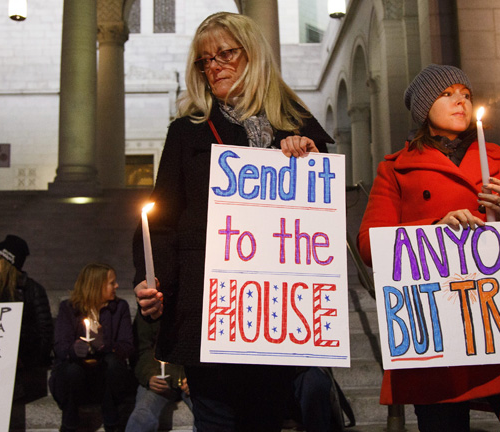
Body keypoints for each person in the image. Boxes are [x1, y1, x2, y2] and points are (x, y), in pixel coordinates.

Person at [132, 12, 332, 432]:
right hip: (208, 310)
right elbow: (161, 223)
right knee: (215, 421)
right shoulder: (187, 132)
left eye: (225, 54)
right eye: (205, 60)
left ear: (253, 55)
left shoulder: (297, 127)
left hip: (278, 314)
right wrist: (153, 284)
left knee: (266, 421)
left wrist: (308, 158)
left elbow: (319, 219)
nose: (214, 66)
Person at [357, 64, 500, 431]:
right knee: (442, 422)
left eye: (466, 94)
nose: (460, 101)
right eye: (447, 94)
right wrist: (434, 229)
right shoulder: (396, 169)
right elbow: (369, 244)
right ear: (424, 108)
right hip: (441, 322)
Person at [50, 263, 135, 432]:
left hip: (105, 379)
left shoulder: (119, 308)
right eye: (112, 283)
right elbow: (60, 346)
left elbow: (127, 346)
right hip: (76, 379)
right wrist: (75, 349)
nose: (116, 286)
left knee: (112, 362)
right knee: (72, 369)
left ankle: (112, 421)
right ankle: (70, 423)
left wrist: (103, 345)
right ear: (97, 285)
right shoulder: (69, 308)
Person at [0, 234, 53, 398]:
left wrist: (28, 361)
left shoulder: (33, 289)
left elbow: (45, 331)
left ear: (8, 261)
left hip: (23, 358)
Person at [125, 307, 193, 432]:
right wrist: (149, 375)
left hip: (191, 379)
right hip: (159, 377)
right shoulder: (150, 308)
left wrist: (194, 376)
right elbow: (141, 350)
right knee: (141, 416)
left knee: (209, 417)